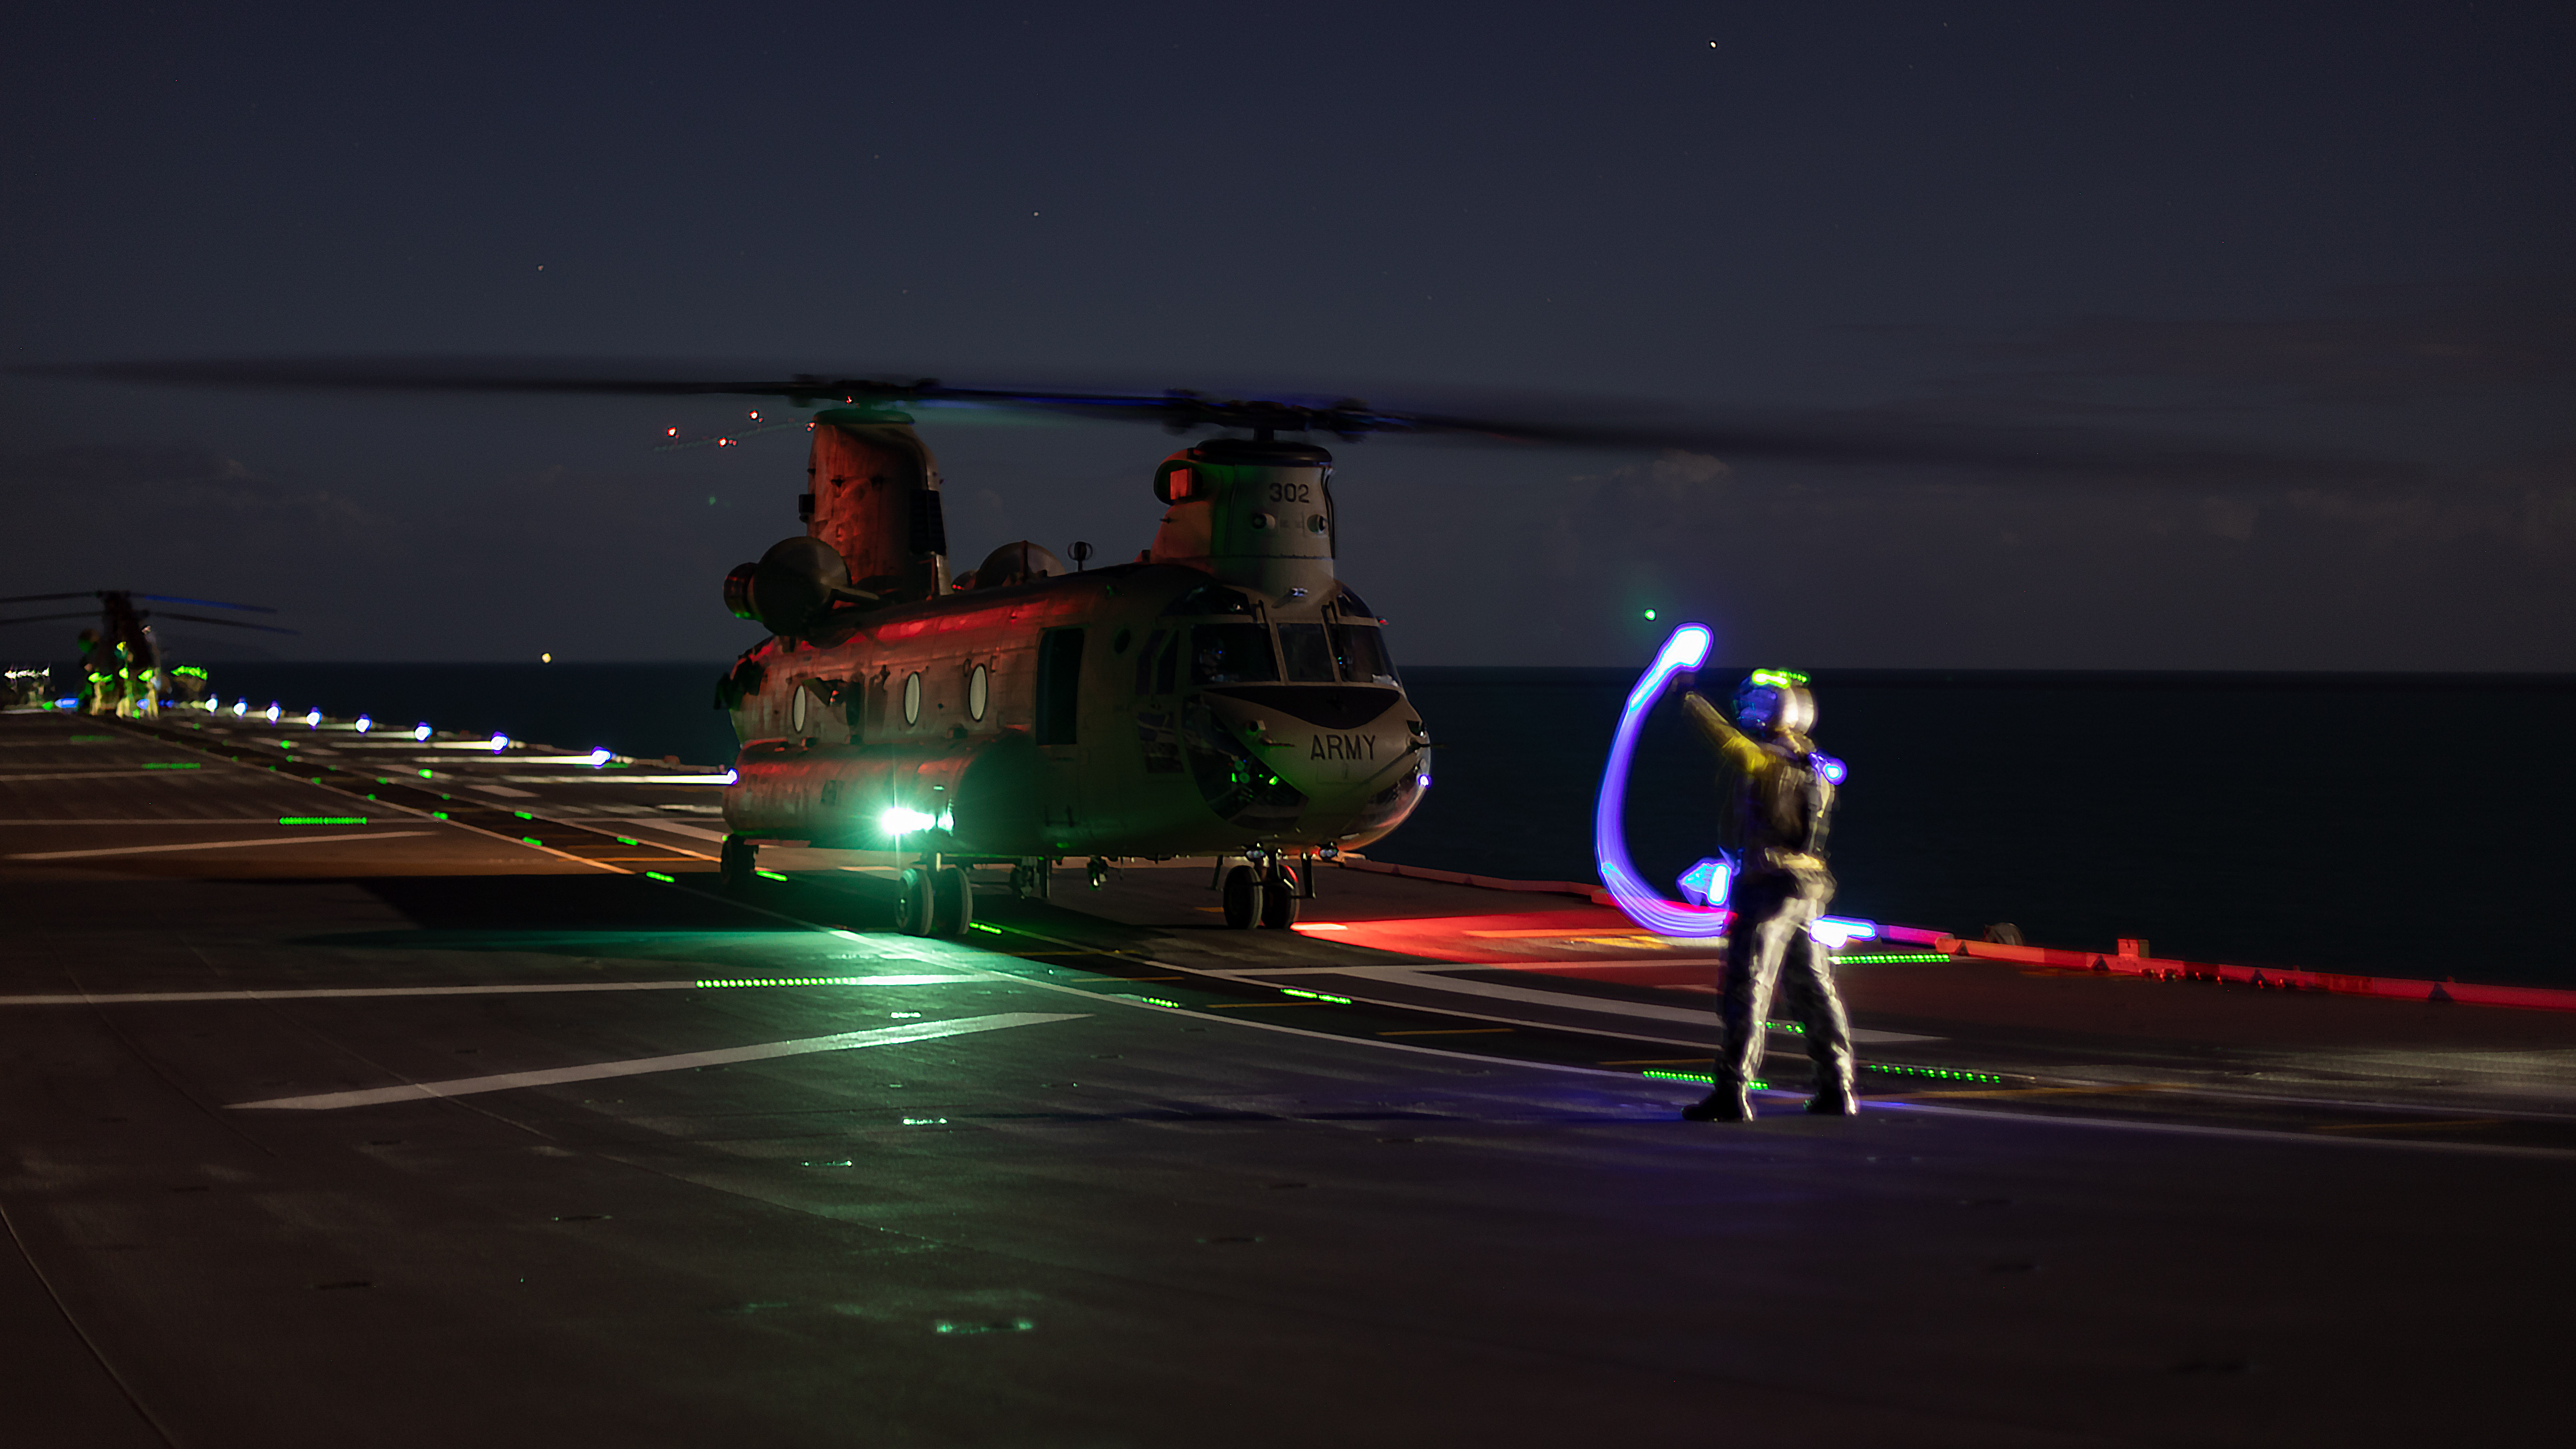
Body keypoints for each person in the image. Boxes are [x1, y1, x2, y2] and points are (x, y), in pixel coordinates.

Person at [1677, 670, 1857, 1122]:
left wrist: (1690, 698)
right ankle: (1838, 1086)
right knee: (1815, 989)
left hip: (1767, 889)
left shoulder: (1766, 761)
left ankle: (1732, 1091)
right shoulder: (1816, 767)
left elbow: (1726, 742)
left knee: (1748, 988)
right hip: (1810, 891)